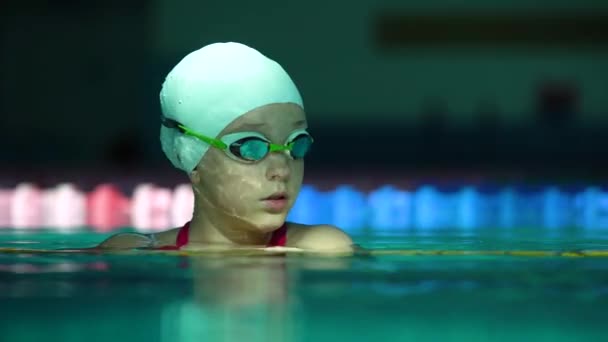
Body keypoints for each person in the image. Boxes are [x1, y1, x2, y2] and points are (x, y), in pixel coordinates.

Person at [98, 42, 353, 253]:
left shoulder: (324, 249)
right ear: (191, 158)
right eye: (250, 147)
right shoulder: (135, 252)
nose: (282, 170)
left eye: (296, 143)